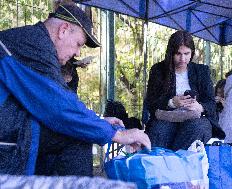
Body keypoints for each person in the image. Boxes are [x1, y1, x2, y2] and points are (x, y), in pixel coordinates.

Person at [0, 4, 150, 176]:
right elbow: (59, 107)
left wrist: (98, 121)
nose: (78, 53)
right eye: (79, 44)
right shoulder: (34, 44)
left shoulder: (32, 40)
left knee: (71, 131)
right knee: (78, 137)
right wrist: (119, 135)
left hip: (11, 125)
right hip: (7, 132)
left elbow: (60, 103)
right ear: (64, 29)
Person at [145, 30, 224, 151]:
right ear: (170, 53)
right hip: (167, 118)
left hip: (194, 118)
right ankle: (164, 162)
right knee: (158, 130)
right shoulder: (158, 70)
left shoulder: (201, 71)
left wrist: (200, 107)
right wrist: (171, 102)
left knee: (199, 127)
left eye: (187, 54)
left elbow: (211, 104)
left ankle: (175, 162)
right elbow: (150, 103)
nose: (183, 59)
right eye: (178, 54)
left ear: (192, 53)